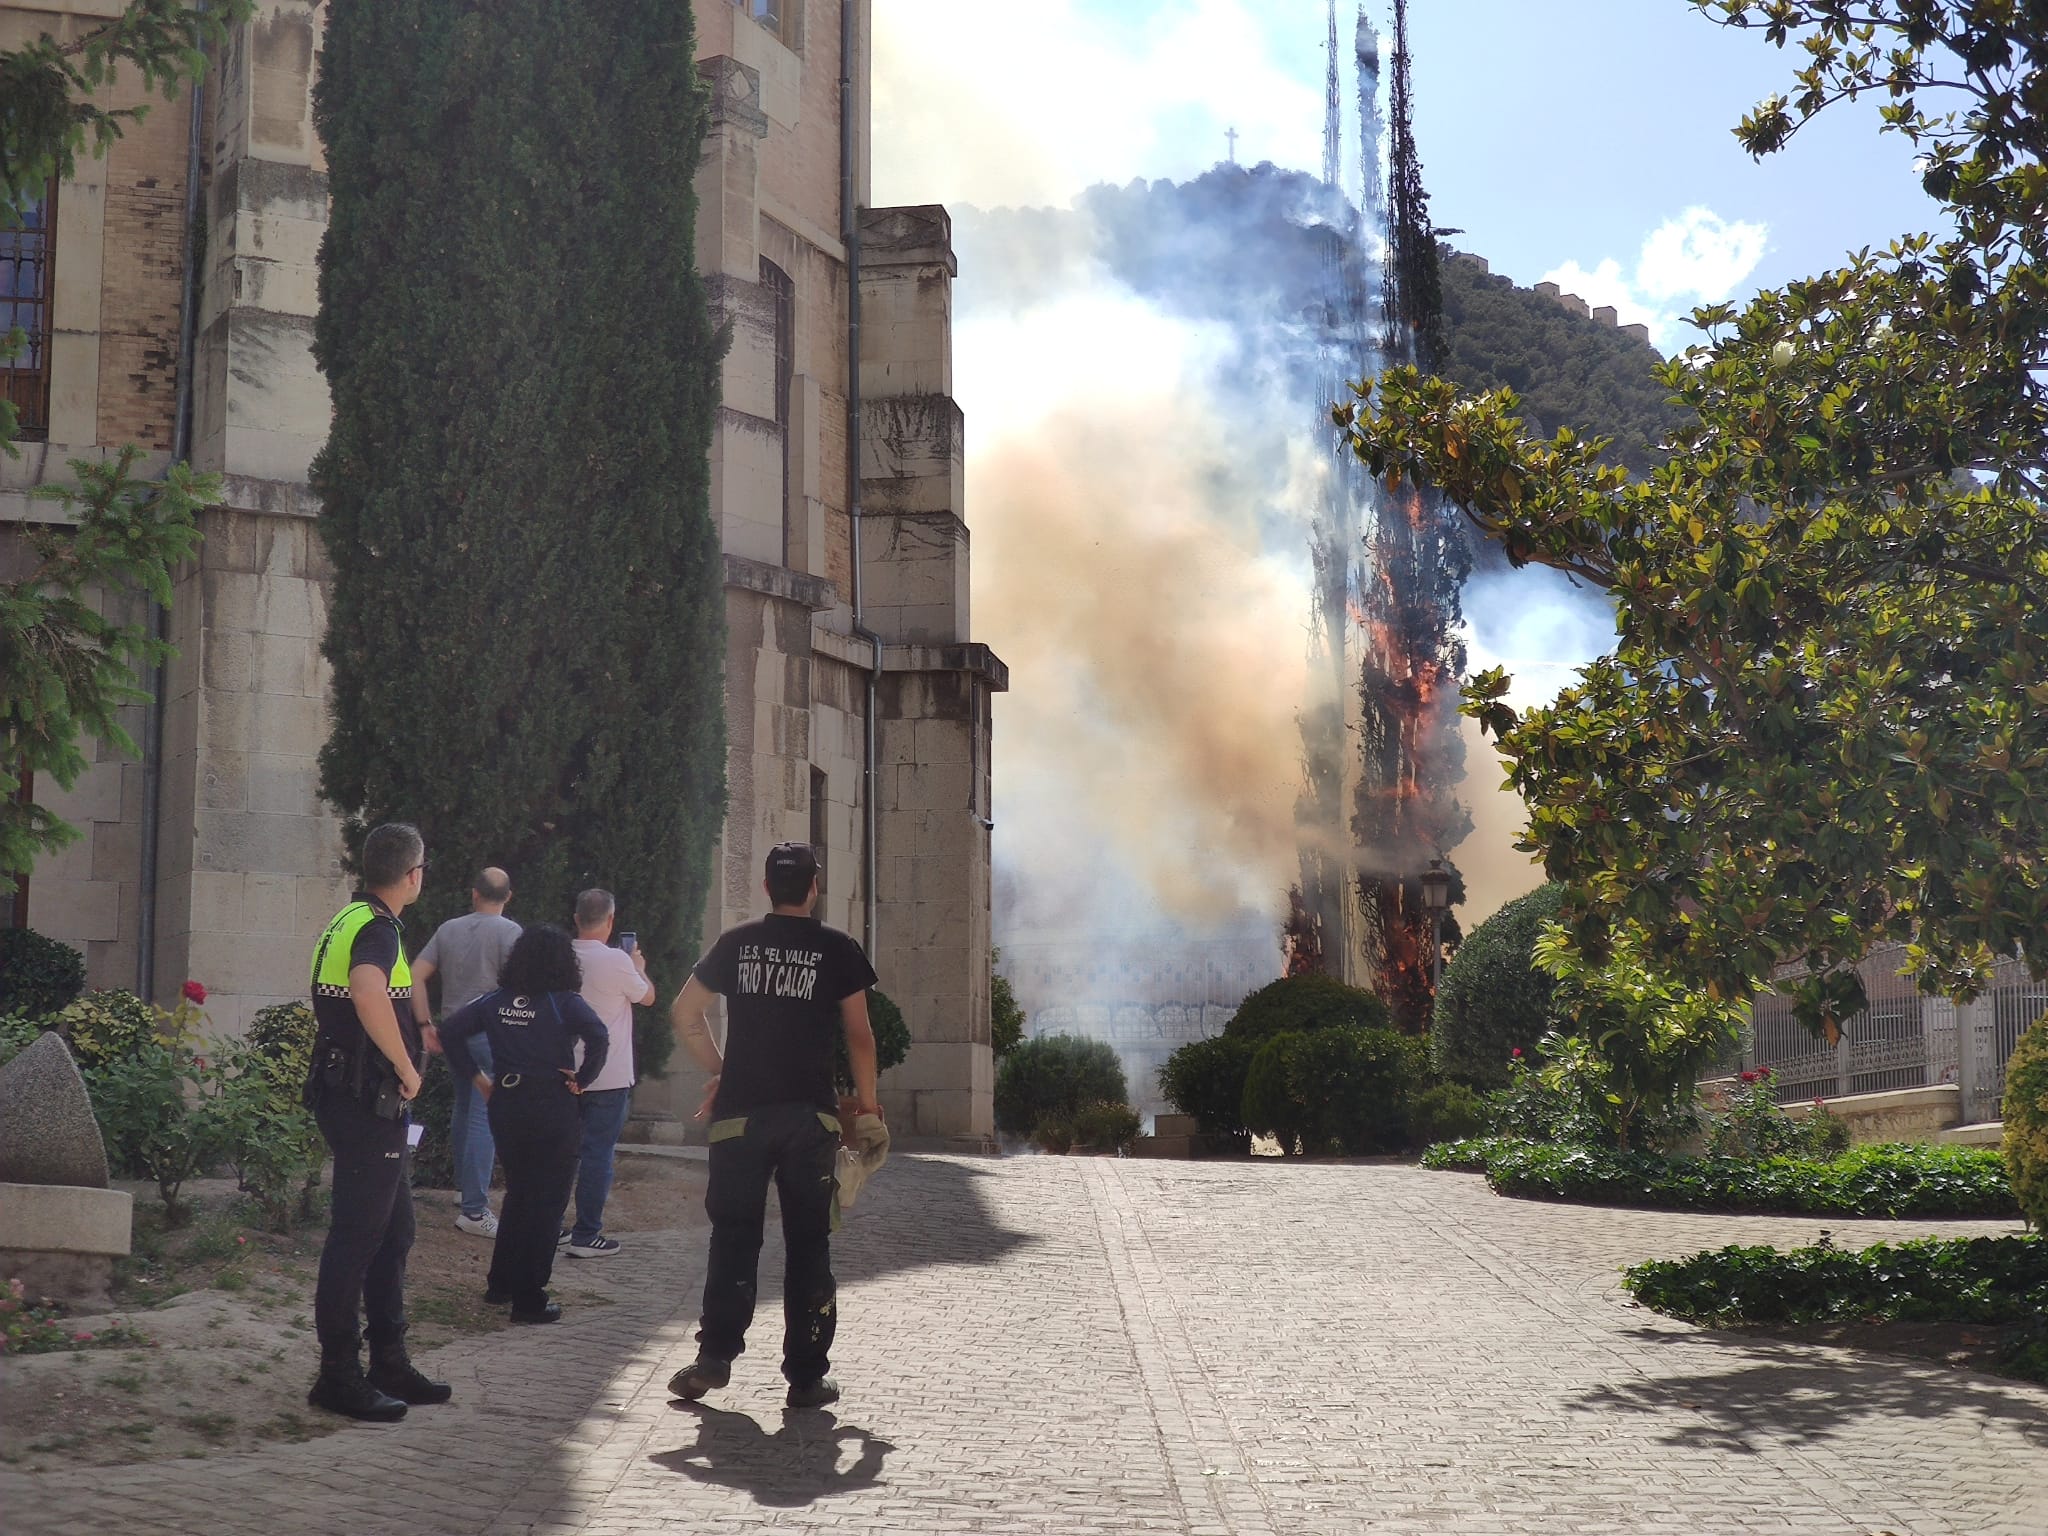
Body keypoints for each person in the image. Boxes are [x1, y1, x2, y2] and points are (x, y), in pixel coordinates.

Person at [664, 842, 881, 1410]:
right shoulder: (838, 949)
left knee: (733, 1236)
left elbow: (685, 1015)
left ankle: (714, 1356)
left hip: (740, 1115)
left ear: (765, 889)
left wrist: (723, 1070)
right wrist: (870, 1106)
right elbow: (860, 1034)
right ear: (814, 887)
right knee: (809, 1243)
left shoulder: (736, 943)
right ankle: (806, 1377)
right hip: (810, 1119)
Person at [303, 821, 449, 1422]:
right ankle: (338, 1375)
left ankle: (389, 1359)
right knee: (358, 1237)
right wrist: (405, 1068)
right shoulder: (379, 930)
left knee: (394, 1232)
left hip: (353, 1098)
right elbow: (367, 993)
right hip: (369, 1102)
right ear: (412, 874)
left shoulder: (347, 919)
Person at [439, 924, 609, 1324]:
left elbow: (450, 1031)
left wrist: (479, 1079)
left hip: (507, 1103)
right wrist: (582, 1081)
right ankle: (529, 1297)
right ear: (564, 963)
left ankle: (500, 1284)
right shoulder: (565, 1002)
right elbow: (599, 1036)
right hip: (552, 1103)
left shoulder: (495, 1001)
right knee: (547, 1202)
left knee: (519, 1193)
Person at [409, 866, 520, 1237]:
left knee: (464, 1106)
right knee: (484, 1115)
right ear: (508, 896)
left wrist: (425, 1024)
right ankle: (474, 1210)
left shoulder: (449, 929)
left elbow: (416, 973)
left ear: (474, 893)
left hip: (453, 1029)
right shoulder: (511, 933)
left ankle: (465, 1191)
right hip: (492, 1033)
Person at [564, 888, 655, 1258]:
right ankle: (587, 1233)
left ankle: (553, 1227)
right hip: (610, 1074)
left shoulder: (561, 956)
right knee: (598, 1154)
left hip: (567, 1070)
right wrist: (638, 968)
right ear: (611, 920)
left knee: (564, 1154)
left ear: (576, 919)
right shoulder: (618, 960)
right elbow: (647, 997)